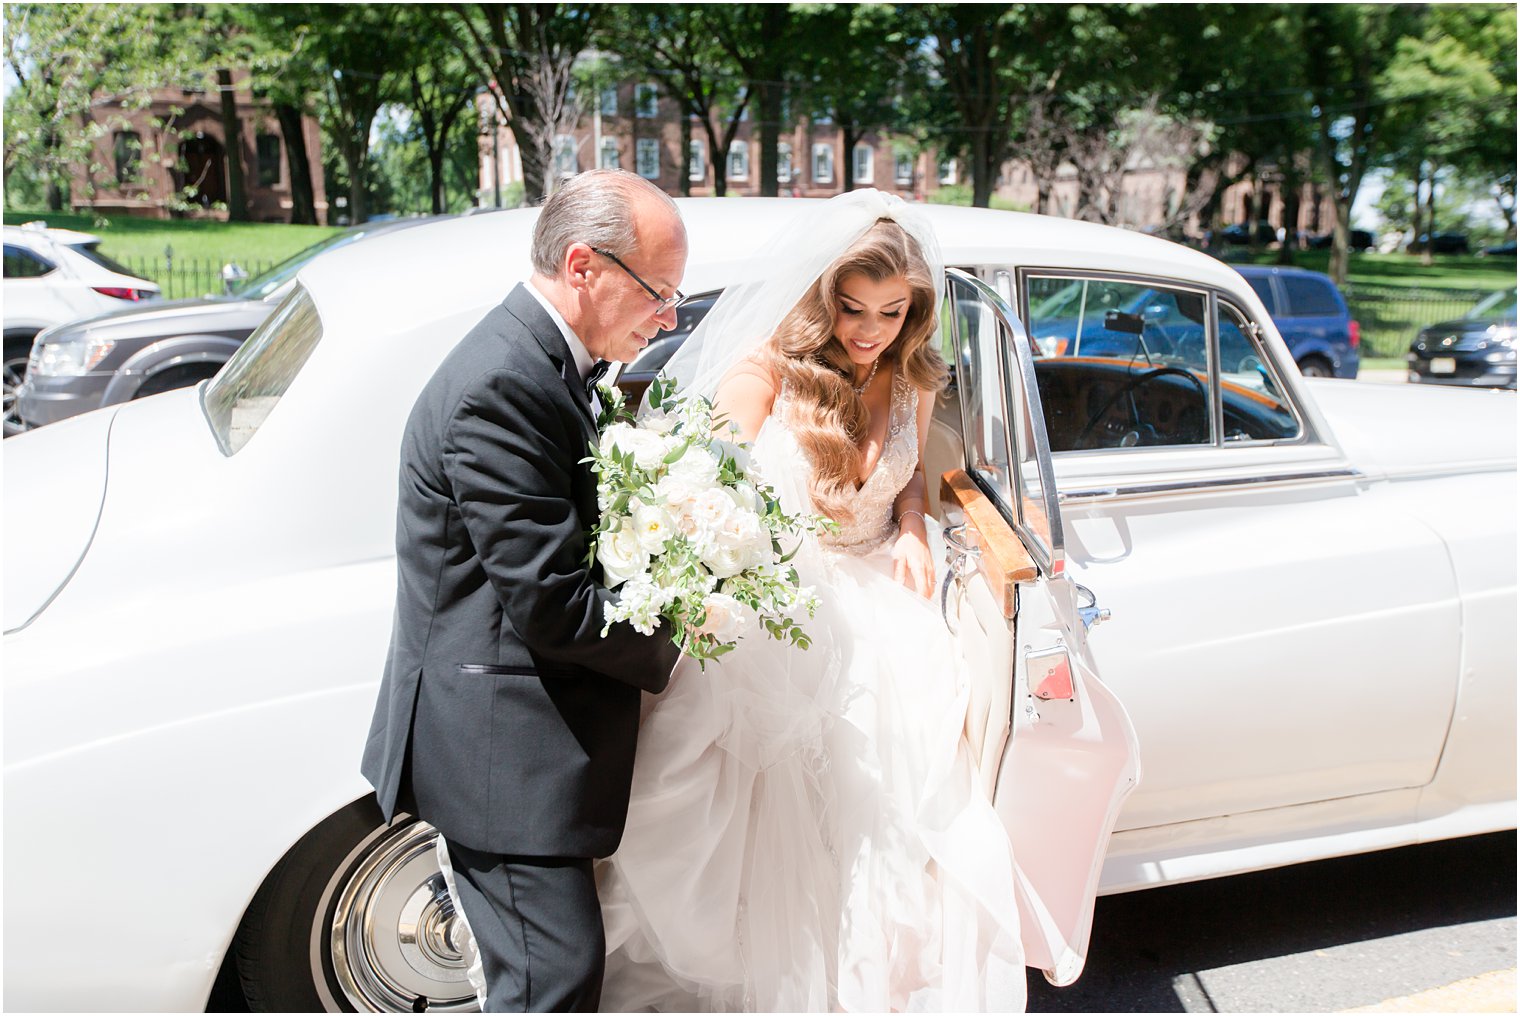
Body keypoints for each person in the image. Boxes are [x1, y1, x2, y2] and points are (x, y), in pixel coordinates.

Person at [598, 189, 1027, 1012]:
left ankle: (872, 984)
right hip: (787, 609)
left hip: (884, 602)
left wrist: (908, 524)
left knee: (902, 804)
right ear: (822, 298)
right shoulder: (765, 372)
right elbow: (701, 488)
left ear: (915, 312)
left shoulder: (915, 377)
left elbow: (909, 475)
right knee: (776, 813)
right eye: (853, 308)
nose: (871, 331)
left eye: (893, 312)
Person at [360, 168, 687, 1013]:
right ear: (585, 267)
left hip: (521, 740)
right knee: (553, 979)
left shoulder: (549, 366)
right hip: (500, 751)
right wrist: (686, 637)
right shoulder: (502, 385)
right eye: (660, 291)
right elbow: (550, 601)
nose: (670, 317)